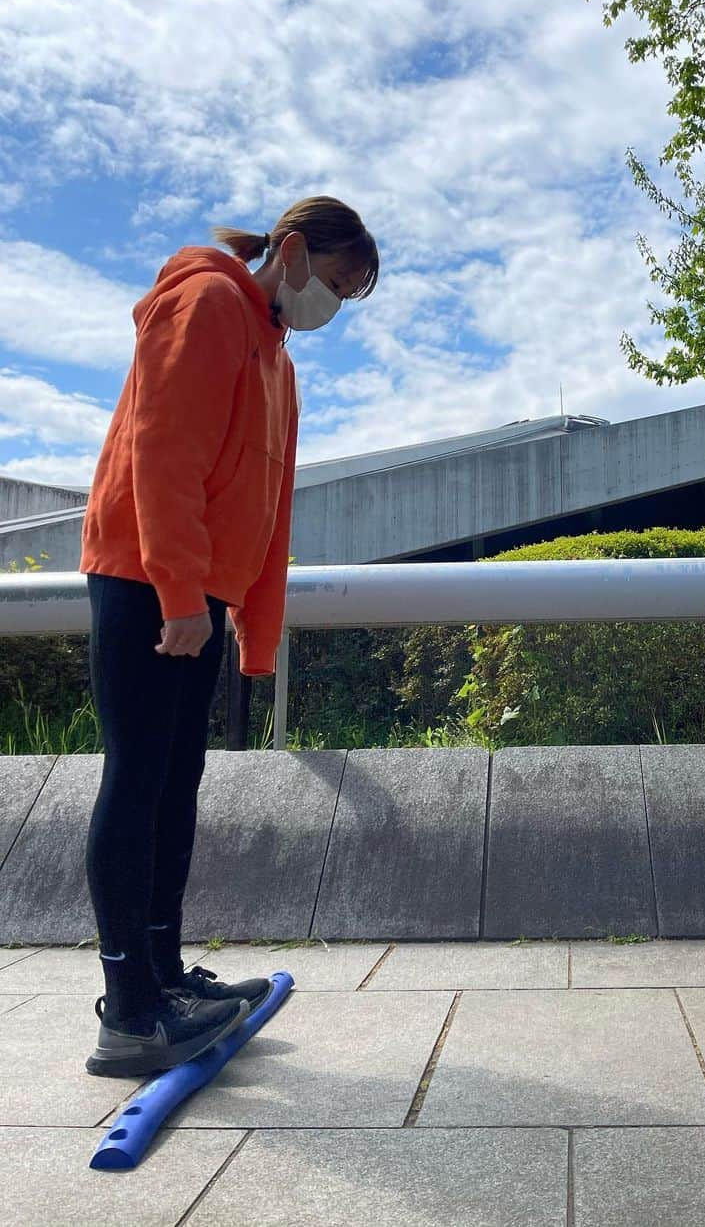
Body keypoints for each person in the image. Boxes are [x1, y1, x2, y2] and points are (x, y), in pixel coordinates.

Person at [78, 196, 378, 1076]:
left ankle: (166, 977)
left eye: (347, 296)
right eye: (332, 281)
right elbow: (159, 447)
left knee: (178, 784)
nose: (331, 305)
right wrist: (177, 592)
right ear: (289, 250)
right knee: (137, 779)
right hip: (144, 577)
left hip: (198, 594)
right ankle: (129, 1007)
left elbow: (271, 512)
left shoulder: (278, 361)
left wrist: (254, 628)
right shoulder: (206, 302)